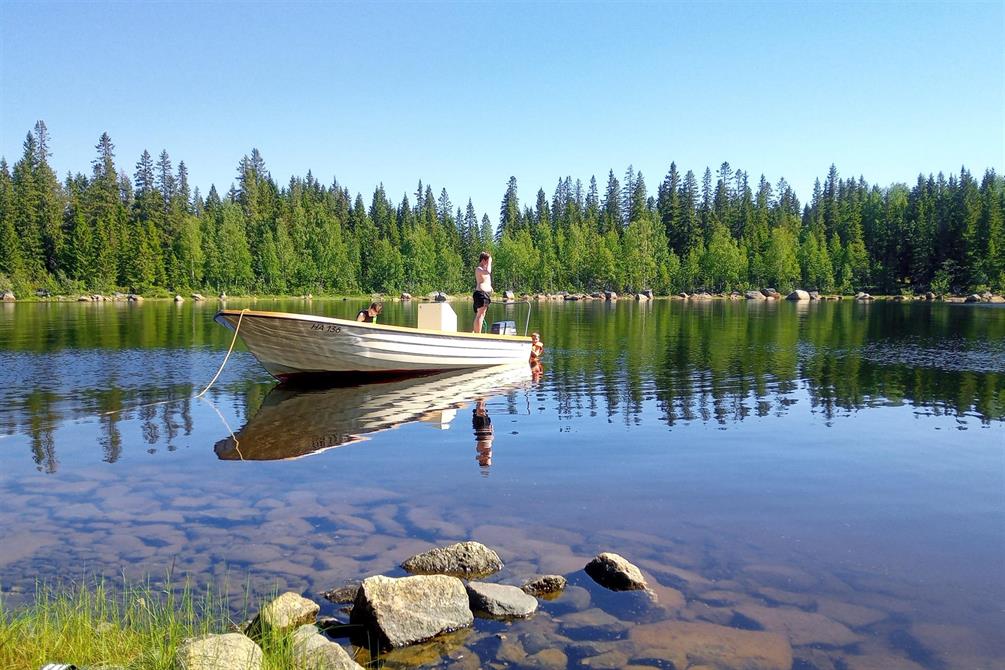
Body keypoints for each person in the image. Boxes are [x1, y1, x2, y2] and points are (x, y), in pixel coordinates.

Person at [472, 251, 492, 332]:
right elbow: (488, 271)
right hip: (481, 294)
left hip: (485, 294)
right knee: (480, 314)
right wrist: (490, 261)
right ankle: (478, 334)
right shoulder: (479, 269)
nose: (488, 264)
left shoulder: (483, 270)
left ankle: (477, 331)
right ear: (483, 260)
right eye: (487, 261)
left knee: (482, 314)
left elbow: (486, 279)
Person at [472, 398, 493, 474]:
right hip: (484, 433)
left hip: (480, 433)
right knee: (481, 411)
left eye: (481, 461)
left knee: (480, 412)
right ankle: (481, 399)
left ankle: (481, 400)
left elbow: (476, 457)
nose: (481, 460)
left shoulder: (480, 451)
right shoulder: (488, 454)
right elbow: (488, 454)